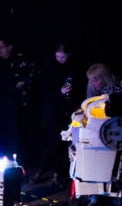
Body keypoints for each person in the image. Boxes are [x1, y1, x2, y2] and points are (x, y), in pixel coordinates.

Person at [30, 42, 83, 185]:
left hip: (68, 111)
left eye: (63, 57)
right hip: (52, 112)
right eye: (57, 56)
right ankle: (40, 171)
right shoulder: (50, 69)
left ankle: (56, 174)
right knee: (53, 142)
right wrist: (59, 92)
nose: (60, 59)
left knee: (64, 144)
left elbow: (79, 89)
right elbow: (42, 91)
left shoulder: (75, 69)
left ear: (69, 55)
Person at [0, 36, 37, 159]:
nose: (0, 50)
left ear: (9, 47)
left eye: (2, 47)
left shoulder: (19, 60)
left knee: (13, 133)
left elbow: (34, 72)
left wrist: (24, 81)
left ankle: (17, 162)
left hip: (13, 102)